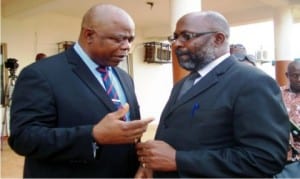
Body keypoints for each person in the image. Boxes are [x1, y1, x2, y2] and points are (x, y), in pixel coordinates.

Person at [135, 11, 290, 178]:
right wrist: (152, 165)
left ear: (218, 39)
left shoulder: (252, 82)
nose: (177, 44)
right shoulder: (184, 84)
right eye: (175, 37)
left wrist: (179, 160)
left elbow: (265, 158)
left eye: (187, 36)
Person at [8, 4, 153, 178]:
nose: (127, 47)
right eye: (118, 39)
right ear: (89, 35)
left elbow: (128, 134)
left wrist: (141, 165)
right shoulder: (41, 74)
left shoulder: (124, 78)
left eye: (130, 39)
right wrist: (92, 135)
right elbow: (24, 138)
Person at [281, 60, 300, 161]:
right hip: (283, 151)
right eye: (295, 76)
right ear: (287, 75)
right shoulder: (278, 93)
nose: (299, 79)